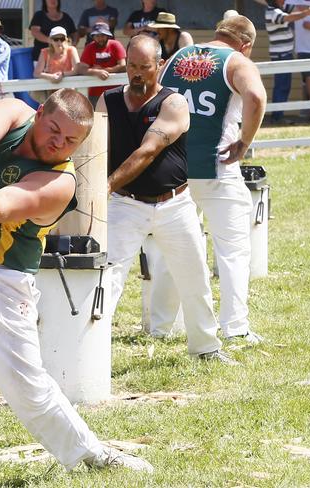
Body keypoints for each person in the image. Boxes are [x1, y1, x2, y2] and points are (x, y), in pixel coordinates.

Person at [0, 89, 154, 473]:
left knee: (25, 385)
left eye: (70, 141)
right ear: (40, 112)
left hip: (2, 278)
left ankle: (91, 454)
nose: (58, 144)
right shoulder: (13, 110)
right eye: (53, 130)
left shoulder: (61, 183)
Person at [95, 35, 234, 364]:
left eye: (145, 67)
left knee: (194, 276)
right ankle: (89, 351)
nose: (137, 74)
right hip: (126, 204)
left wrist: (105, 186)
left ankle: (206, 348)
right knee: (105, 277)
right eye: (131, 66)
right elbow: (95, 149)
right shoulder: (107, 102)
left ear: (160, 66)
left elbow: (147, 151)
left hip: (174, 204)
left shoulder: (174, 104)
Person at [148, 15, 267, 345]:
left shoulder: (177, 57)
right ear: (246, 45)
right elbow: (256, 97)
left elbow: (155, 96)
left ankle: (160, 326)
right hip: (217, 166)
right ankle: (235, 326)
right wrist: (244, 140)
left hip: (174, 166)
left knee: (174, 248)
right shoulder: (236, 62)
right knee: (232, 250)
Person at [264, 0, 310, 124]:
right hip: (281, 55)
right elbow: (290, 17)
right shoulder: (272, 12)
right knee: (282, 86)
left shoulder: (281, 7)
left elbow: (298, 7)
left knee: (283, 85)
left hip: (284, 54)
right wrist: (308, 12)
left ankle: (278, 116)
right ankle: (277, 117)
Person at [77, 22, 126, 106]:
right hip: (95, 93)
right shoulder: (89, 47)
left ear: (108, 35)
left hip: (116, 90)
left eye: (103, 35)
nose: (100, 38)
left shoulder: (115, 45)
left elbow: (123, 66)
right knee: (97, 117)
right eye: (97, 36)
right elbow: (81, 68)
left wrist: (103, 70)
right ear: (93, 37)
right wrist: (96, 72)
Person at [33, 26, 79, 95]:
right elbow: (36, 73)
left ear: (66, 40)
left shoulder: (71, 50)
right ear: (51, 40)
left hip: (68, 91)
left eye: (62, 39)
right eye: (56, 39)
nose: (59, 42)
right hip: (50, 91)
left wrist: (62, 74)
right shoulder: (45, 52)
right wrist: (51, 77)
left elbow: (77, 70)